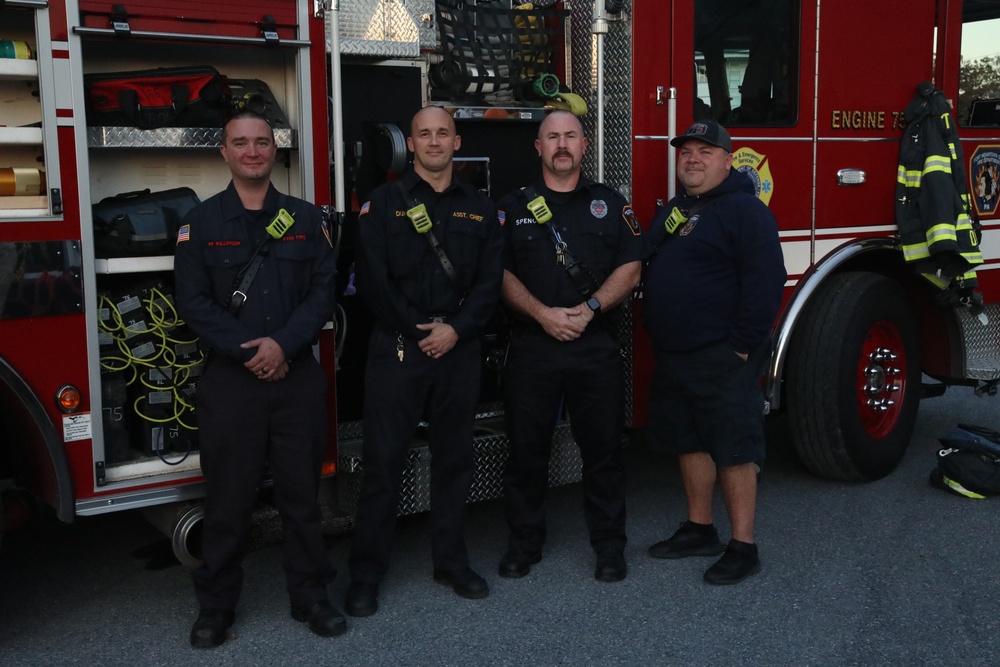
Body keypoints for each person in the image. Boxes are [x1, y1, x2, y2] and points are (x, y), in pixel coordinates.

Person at [174, 110, 344, 647]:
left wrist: (283, 345)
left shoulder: (304, 218)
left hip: (295, 379)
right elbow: (193, 303)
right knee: (228, 501)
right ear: (222, 153)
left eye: (262, 142)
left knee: (302, 499)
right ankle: (216, 608)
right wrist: (252, 351)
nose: (252, 152)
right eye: (240, 143)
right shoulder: (199, 224)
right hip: (232, 383)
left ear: (276, 151)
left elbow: (323, 290)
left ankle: (311, 597)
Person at [345, 106, 504, 616]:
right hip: (398, 347)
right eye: (424, 134)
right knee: (383, 464)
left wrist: (454, 331)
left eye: (443, 133)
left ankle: (451, 562)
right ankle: (366, 575)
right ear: (410, 145)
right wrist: (423, 332)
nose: (434, 142)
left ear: (457, 143)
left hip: (458, 348)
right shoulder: (381, 204)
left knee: (455, 460)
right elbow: (372, 283)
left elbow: (490, 283)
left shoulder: (481, 208)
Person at [496, 110, 650, 582]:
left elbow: (632, 265)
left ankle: (609, 548)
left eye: (570, 136)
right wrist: (543, 314)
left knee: (603, 453)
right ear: (538, 148)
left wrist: (590, 309)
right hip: (532, 348)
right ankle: (524, 545)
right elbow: (497, 273)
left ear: (585, 146)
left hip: (593, 346)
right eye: (552, 137)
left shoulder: (609, 203)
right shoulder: (512, 206)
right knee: (526, 453)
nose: (562, 144)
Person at [642, 120, 786, 585]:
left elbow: (766, 282)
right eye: (686, 151)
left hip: (723, 355)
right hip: (678, 354)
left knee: (734, 446)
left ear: (728, 160)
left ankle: (743, 545)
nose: (693, 159)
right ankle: (700, 528)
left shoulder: (746, 211)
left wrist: (742, 347)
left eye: (705, 151)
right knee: (690, 440)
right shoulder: (677, 210)